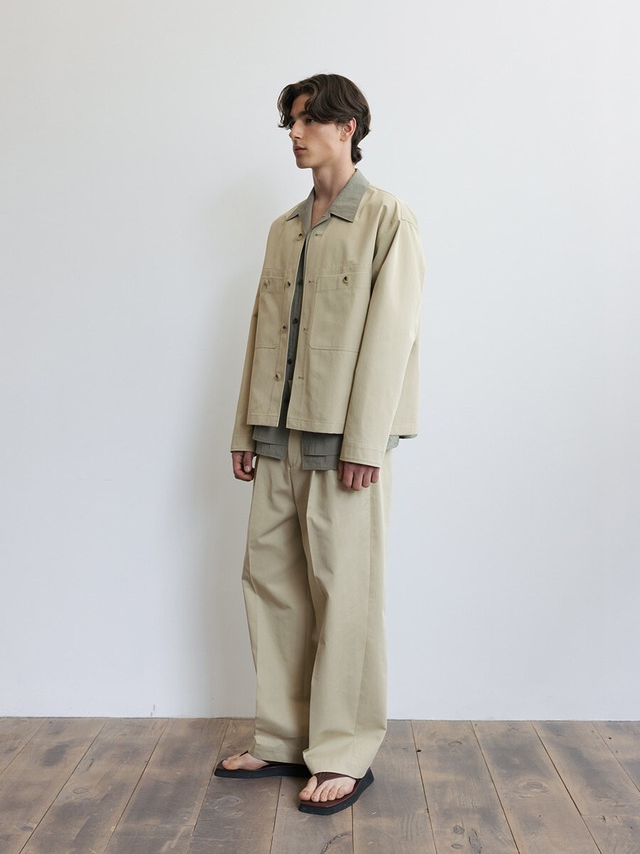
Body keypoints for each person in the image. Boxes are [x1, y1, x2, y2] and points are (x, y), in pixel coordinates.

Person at [215, 74, 424, 815]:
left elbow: (393, 337)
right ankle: (282, 737)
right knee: (270, 584)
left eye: (308, 121)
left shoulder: (387, 218)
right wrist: (244, 428)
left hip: (343, 448)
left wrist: (366, 441)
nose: (296, 135)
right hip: (274, 436)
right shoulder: (284, 228)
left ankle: (343, 752)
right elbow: (261, 331)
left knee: (347, 595)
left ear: (349, 127)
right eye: (291, 124)